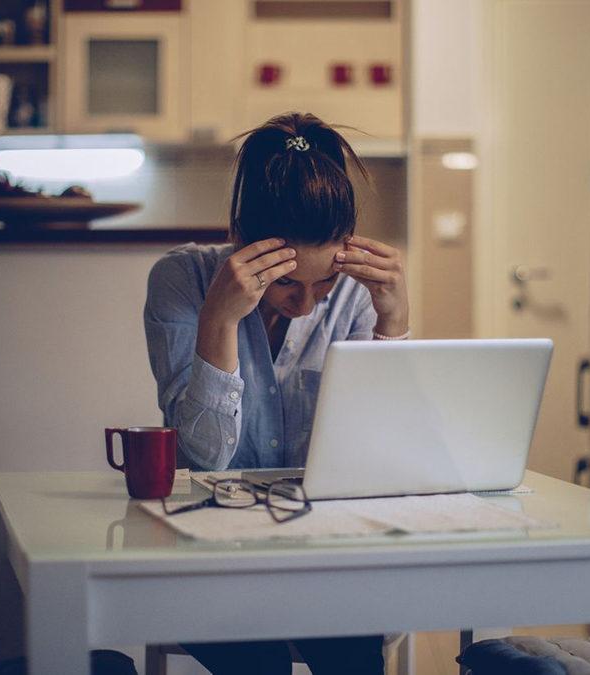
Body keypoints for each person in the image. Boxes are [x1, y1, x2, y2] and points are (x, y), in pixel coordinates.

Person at [142, 112, 409, 675]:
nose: (306, 304)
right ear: (242, 240)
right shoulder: (182, 280)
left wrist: (393, 325)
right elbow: (203, 457)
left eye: (324, 281)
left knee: (352, 653)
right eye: (285, 281)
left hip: (326, 552)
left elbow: (382, 458)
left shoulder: (357, 294)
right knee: (256, 658)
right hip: (211, 552)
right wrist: (219, 318)